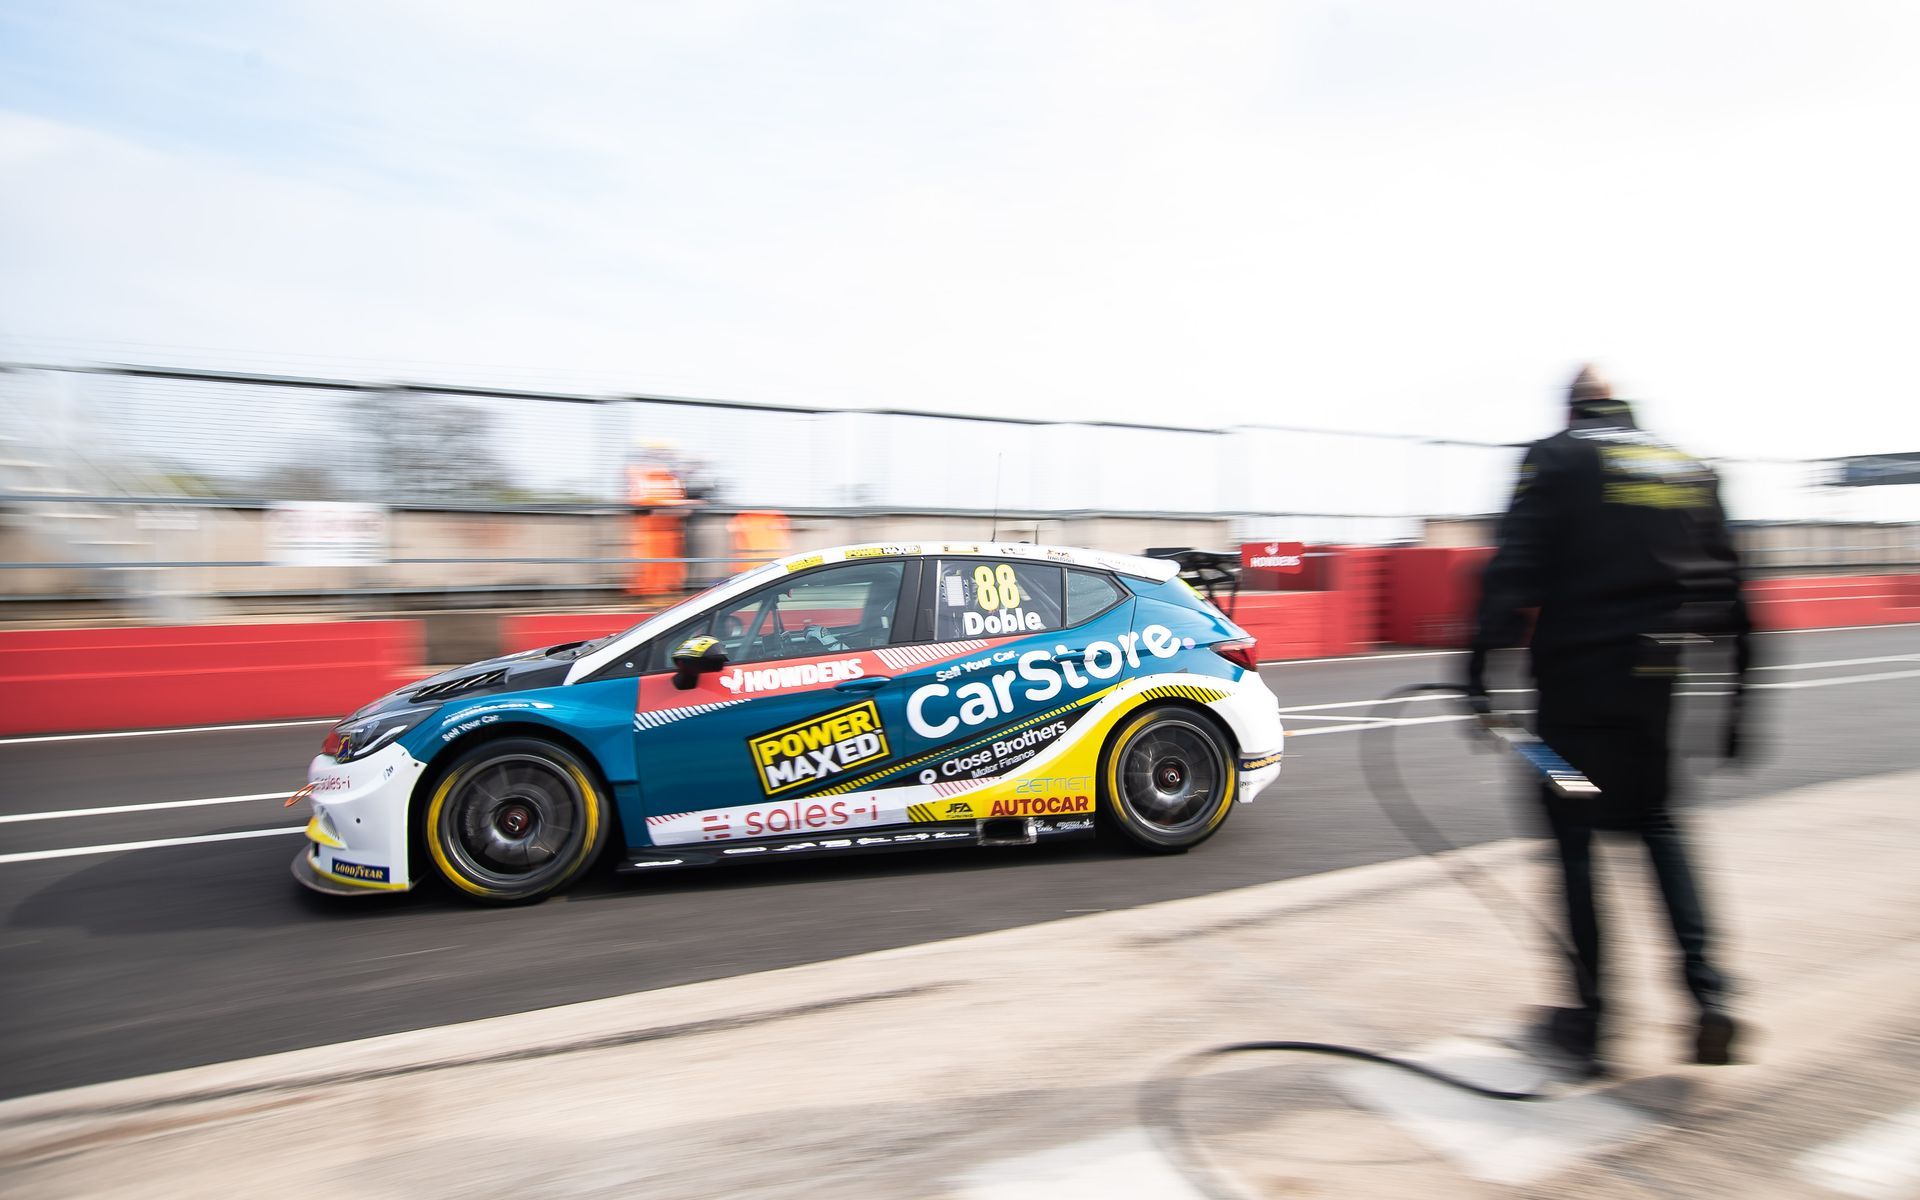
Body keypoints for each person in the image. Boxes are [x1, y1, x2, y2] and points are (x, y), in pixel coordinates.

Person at [1465, 363, 1751, 1077]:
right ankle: (1708, 998)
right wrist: (1739, 708)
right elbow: (1734, 595)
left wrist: (1479, 674)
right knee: (1655, 822)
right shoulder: (1686, 467)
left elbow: (1510, 571)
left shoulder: (1556, 456)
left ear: (1569, 408)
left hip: (1573, 696)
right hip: (1659, 688)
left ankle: (1591, 1025)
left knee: (1575, 839)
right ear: (1624, 406)